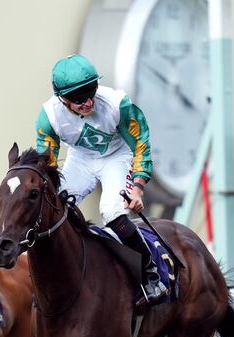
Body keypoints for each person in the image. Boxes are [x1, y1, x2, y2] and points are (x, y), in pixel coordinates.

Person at [35, 53, 167, 305]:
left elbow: (141, 143)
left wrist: (138, 187)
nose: (86, 101)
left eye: (90, 90)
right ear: (61, 98)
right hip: (80, 158)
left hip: (116, 156)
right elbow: (47, 165)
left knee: (111, 211)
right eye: (76, 97)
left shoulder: (118, 104)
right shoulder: (48, 117)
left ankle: (151, 274)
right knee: (53, 204)